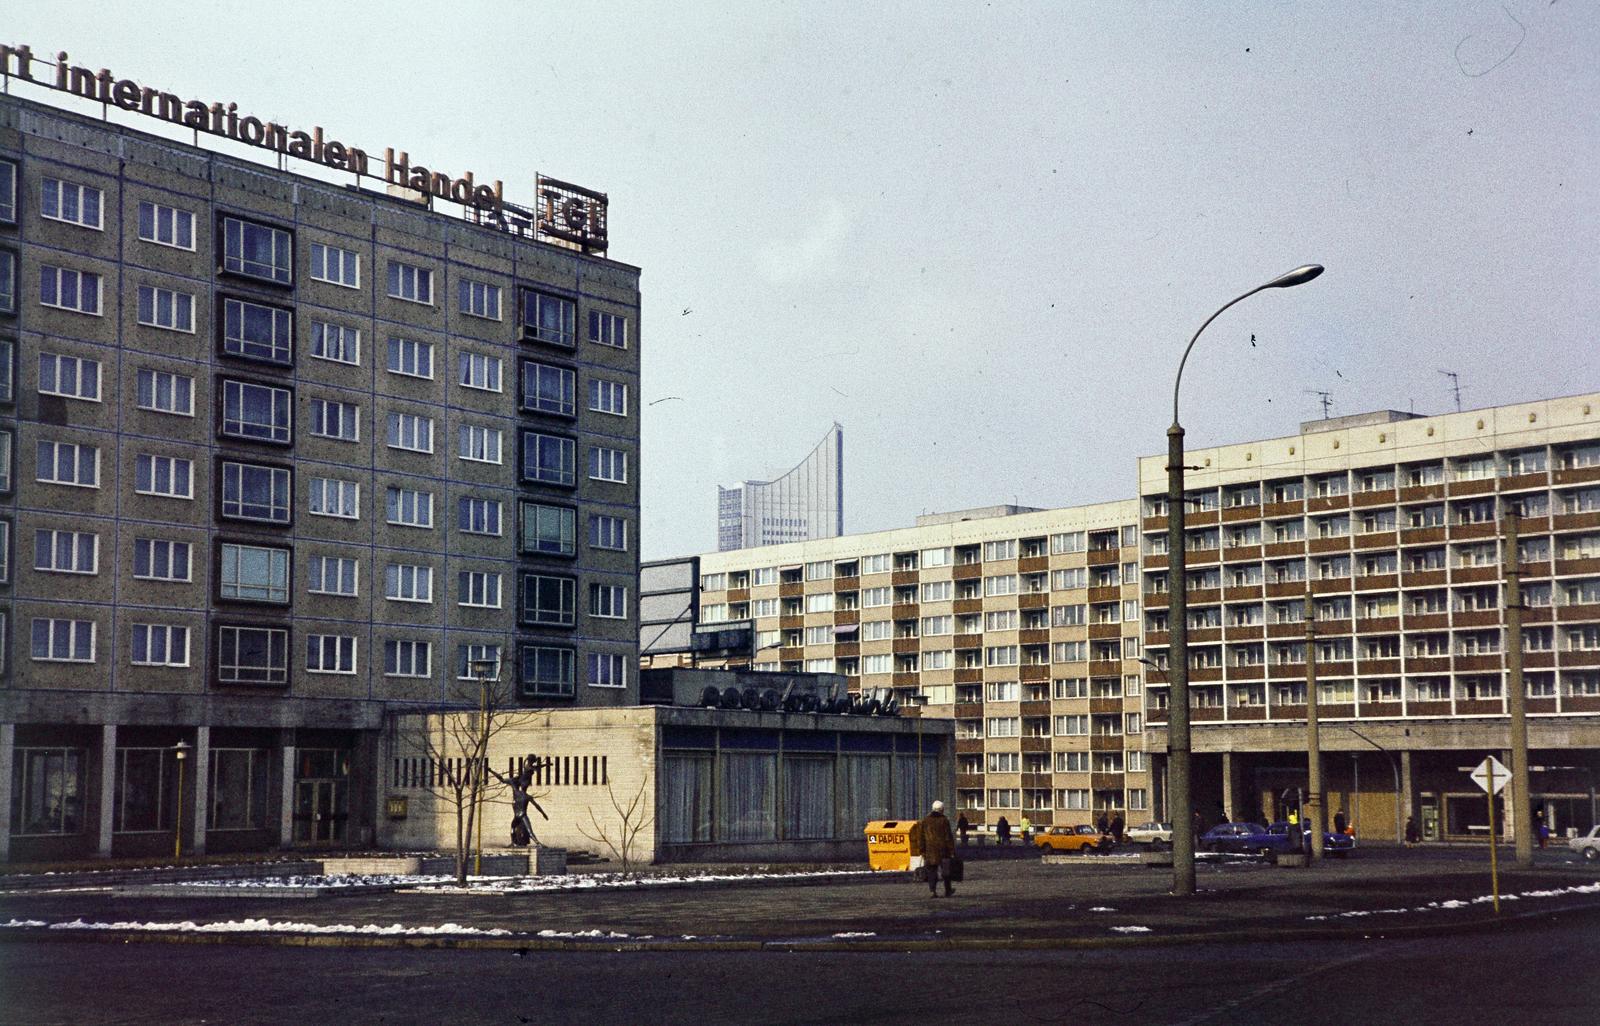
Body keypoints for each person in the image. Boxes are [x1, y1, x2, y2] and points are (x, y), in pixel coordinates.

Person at [917, 800, 957, 897]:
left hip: (930, 851)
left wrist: (922, 850)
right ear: (941, 810)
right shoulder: (944, 820)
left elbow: (921, 837)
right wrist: (952, 850)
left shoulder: (925, 820)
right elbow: (948, 837)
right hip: (943, 851)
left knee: (931, 872)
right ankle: (948, 890)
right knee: (946, 871)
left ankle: (932, 891)